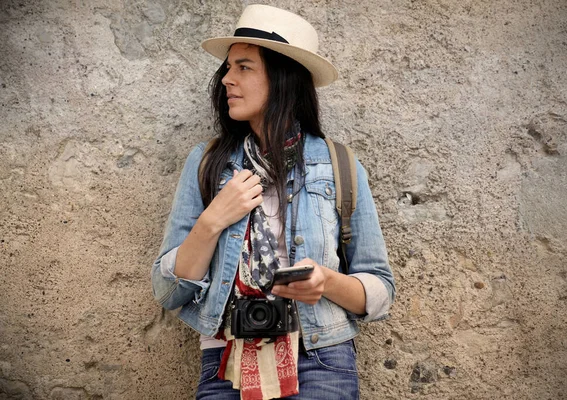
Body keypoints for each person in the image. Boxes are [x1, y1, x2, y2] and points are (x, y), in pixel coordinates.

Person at [151, 5, 395, 400]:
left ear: (283, 78)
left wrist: (325, 281)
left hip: (320, 360)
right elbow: (168, 291)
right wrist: (212, 221)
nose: (227, 79)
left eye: (244, 67)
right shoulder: (207, 162)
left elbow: (380, 290)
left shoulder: (339, 165)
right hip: (225, 362)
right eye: (228, 69)